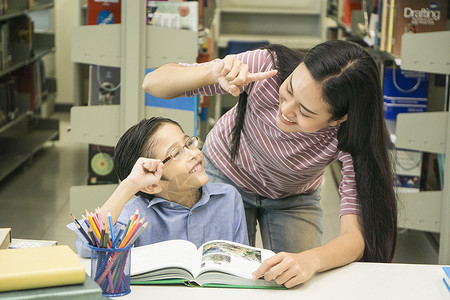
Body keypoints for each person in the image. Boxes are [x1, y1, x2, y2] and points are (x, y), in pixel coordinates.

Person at [142, 40, 398, 288]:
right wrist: (212, 72)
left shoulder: (350, 135)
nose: (286, 109)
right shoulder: (265, 67)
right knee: (216, 279)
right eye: (288, 90)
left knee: (298, 282)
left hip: (293, 198)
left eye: (305, 112)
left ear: (337, 119)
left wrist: (311, 260)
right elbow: (152, 83)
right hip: (224, 175)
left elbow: (353, 238)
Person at [73, 117, 248, 258]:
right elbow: (87, 247)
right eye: (177, 153)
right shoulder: (135, 215)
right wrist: (129, 185)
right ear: (152, 184)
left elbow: (242, 261)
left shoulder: (228, 198)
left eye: (188, 143)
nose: (193, 154)